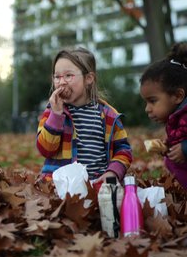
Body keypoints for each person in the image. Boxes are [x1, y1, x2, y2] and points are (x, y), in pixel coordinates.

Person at [36, 47, 133, 185]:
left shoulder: (108, 116)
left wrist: (113, 172)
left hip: (97, 185)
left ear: (88, 78)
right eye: (57, 77)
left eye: (68, 75)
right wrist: (56, 115)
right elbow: (45, 149)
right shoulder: (53, 112)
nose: (61, 82)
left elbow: (123, 150)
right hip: (59, 187)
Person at [140, 42, 187, 189]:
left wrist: (185, 148)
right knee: (170, 161)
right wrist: (169, 143)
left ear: (178, 96)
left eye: (152, 101)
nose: (147, 109)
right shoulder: (177, 116)